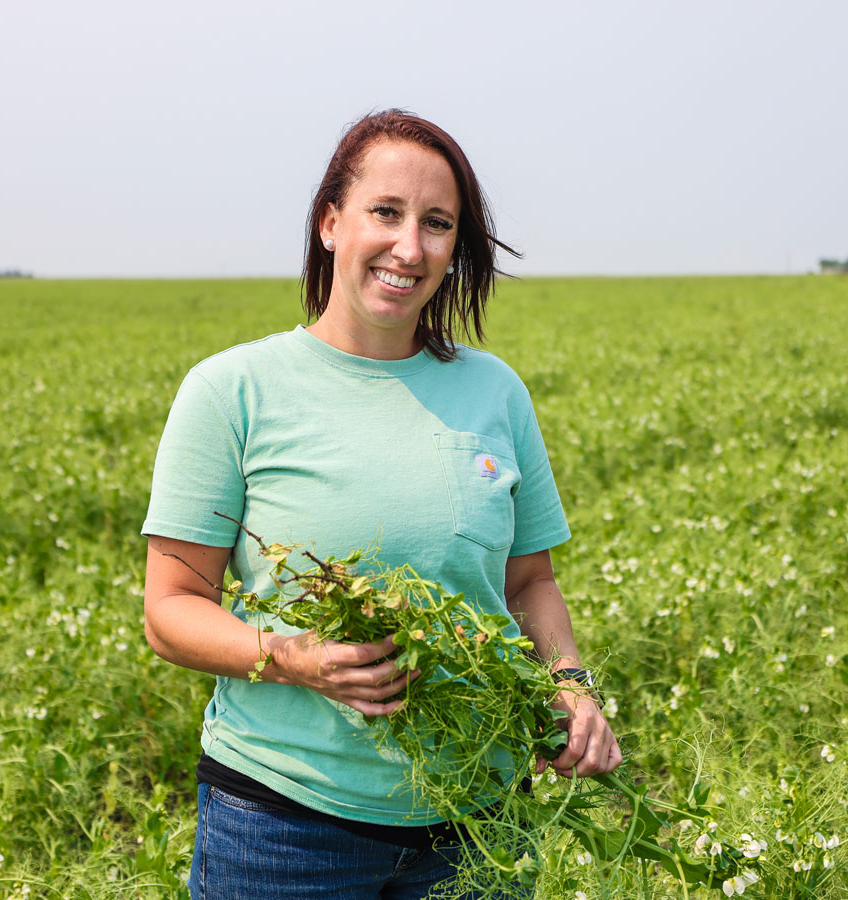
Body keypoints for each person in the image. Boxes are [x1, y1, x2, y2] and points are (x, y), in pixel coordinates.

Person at [142, 109, 622, 900]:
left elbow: (528, 582)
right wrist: (291, 658)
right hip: (285, 828)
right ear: (332, 223)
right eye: (386, 213)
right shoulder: (232, 391)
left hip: (481, 829)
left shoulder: (494, 389)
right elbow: (171, 608)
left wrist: (572, 685)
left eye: (438, 224)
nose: (411, 247)